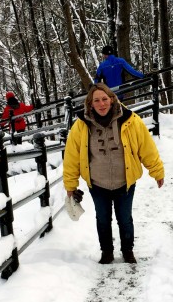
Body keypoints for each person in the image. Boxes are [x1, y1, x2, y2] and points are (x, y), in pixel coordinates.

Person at [63, 84, 164, 264]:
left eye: (104, 99)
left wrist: (156, 171)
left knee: (125, 218)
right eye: (96, 100)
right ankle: (107, 252)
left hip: (125, 181)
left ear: (111, 99)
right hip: (97, 182)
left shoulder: (131, 120)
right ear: (90, 104)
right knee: (103, 219)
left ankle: (127, 250)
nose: (101, 104)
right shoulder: (80, 126)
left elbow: (146, 147)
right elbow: (71, 157)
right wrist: (71, 186)